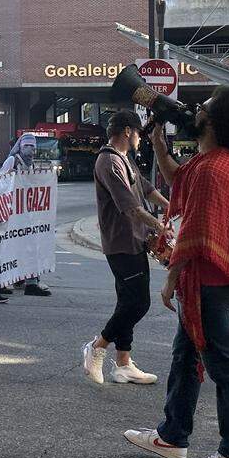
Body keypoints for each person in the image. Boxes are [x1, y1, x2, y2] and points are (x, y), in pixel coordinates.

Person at [124, 85, 229, 458]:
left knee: (222, 365)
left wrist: (171, 278)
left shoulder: (212, 169)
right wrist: (160, 148)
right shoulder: (221, 159)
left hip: (207, 279)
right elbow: (181, 180)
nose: (195, 110)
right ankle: (172, 436)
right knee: (186, 357)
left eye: (204, 107)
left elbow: (195, 230)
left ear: (213, 123)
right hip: (212, 276)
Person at [83, 111, 170, 385]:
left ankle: (123, 363)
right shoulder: (108, 161)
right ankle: (97, 346)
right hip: (121, 242)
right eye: (138, 132)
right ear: (128, 131)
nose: (140, 138)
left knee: (127, 302)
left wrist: (171, 207)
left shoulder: (123, 158)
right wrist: (159, 226)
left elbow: (145, 189)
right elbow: (130, 207)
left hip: (134, 240)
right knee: (139, 303)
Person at [0, 132, 52, 297]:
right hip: (12, 213)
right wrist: (9, 176)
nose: (30, 149)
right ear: (20, 146)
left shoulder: (31, 164)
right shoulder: (13, 161)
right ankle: (2, 282)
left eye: (33, 147)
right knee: (9, 247)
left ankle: (30, 281)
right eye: (27, 146)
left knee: (30, 246)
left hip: (26, 213)